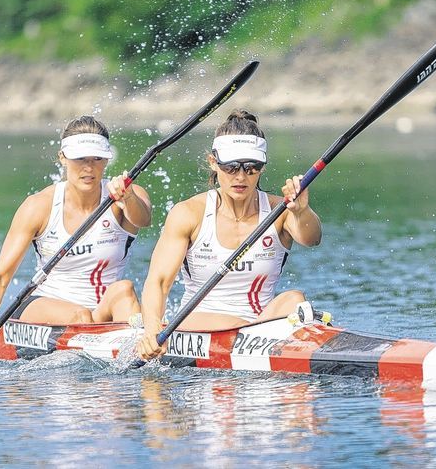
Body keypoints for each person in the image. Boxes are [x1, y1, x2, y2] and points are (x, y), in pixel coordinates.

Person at [137, 110, 321, 360]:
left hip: (261, 324)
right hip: (198, 325)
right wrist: (150, 331)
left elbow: (312, 239)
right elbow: (158, 282)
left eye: (251, 167)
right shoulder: (189, 214)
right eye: (231, 166)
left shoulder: (281, 211)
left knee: (295, 299)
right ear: (213, 162)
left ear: (263, 165)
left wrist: (302, 211)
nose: (241, 176)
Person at [0, 115, 152, 358]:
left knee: (124, 289)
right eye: (80, 159)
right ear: (63, 158)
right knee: (80, 315)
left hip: (100, 311)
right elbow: (1, 275)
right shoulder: (39, 207)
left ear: (107, 159)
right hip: (44, 306)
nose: (89, 167)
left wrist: (127, 198)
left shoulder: (127, 196)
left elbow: (144, 219)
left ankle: (140, 354)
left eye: (97, 158)